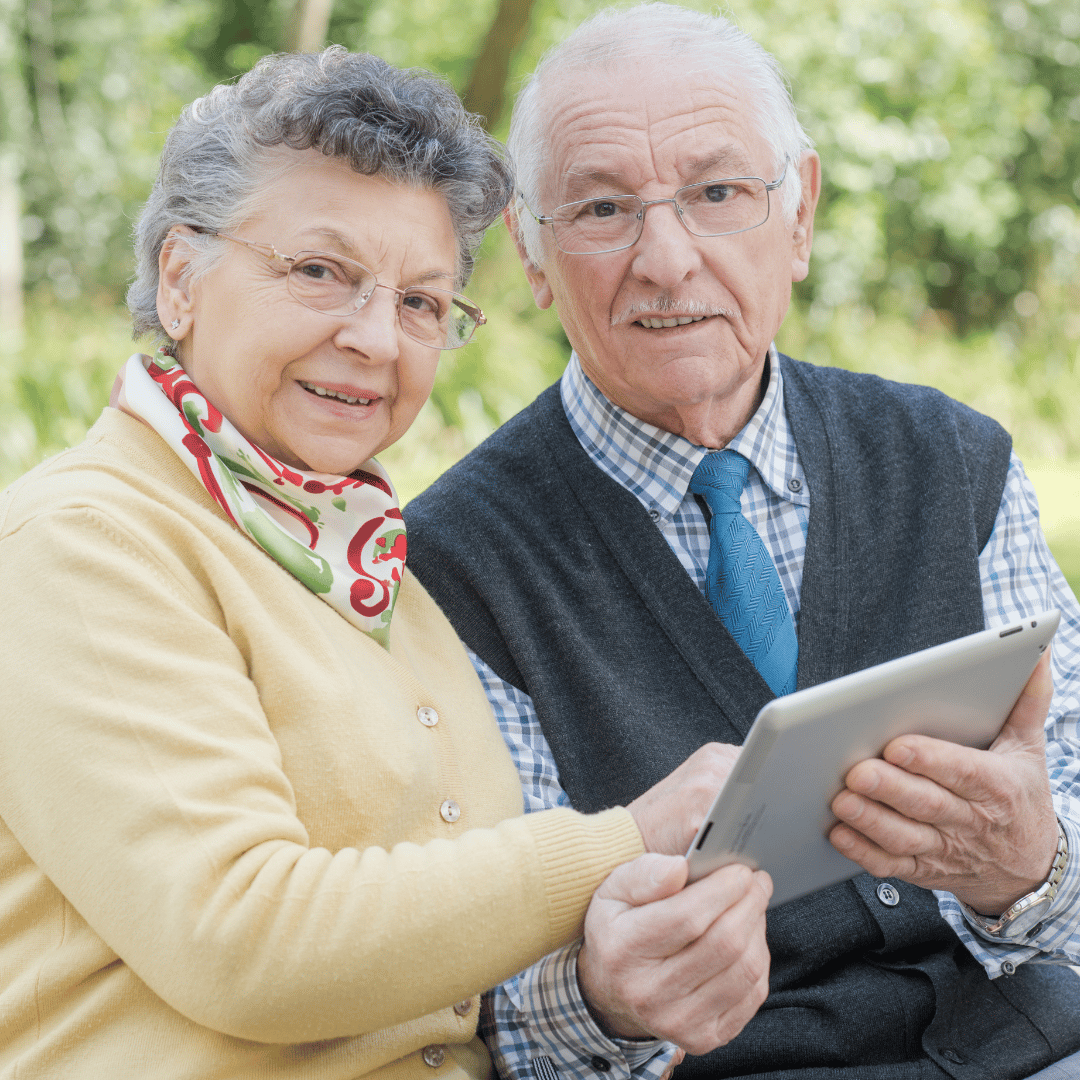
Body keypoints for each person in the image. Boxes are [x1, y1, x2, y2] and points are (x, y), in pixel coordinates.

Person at [0, 47, 772, 1080]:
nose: (375, 338)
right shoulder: (87, 543)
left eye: (420, 302)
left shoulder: (374, 568)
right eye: (321, 272)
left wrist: (617, 968)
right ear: (180, 277)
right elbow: (245, 943)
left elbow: (453, 941)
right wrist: (626, 839)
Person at [402, 6, 1080, 1080]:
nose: (666, 260)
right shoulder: (449, 566)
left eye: (718, 194)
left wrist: (1033, 870)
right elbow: (479, 994)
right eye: (603, 208)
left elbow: (1072, 844)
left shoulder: (954, 462)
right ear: (531, 254)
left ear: (799, 214)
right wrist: (603, 1002)